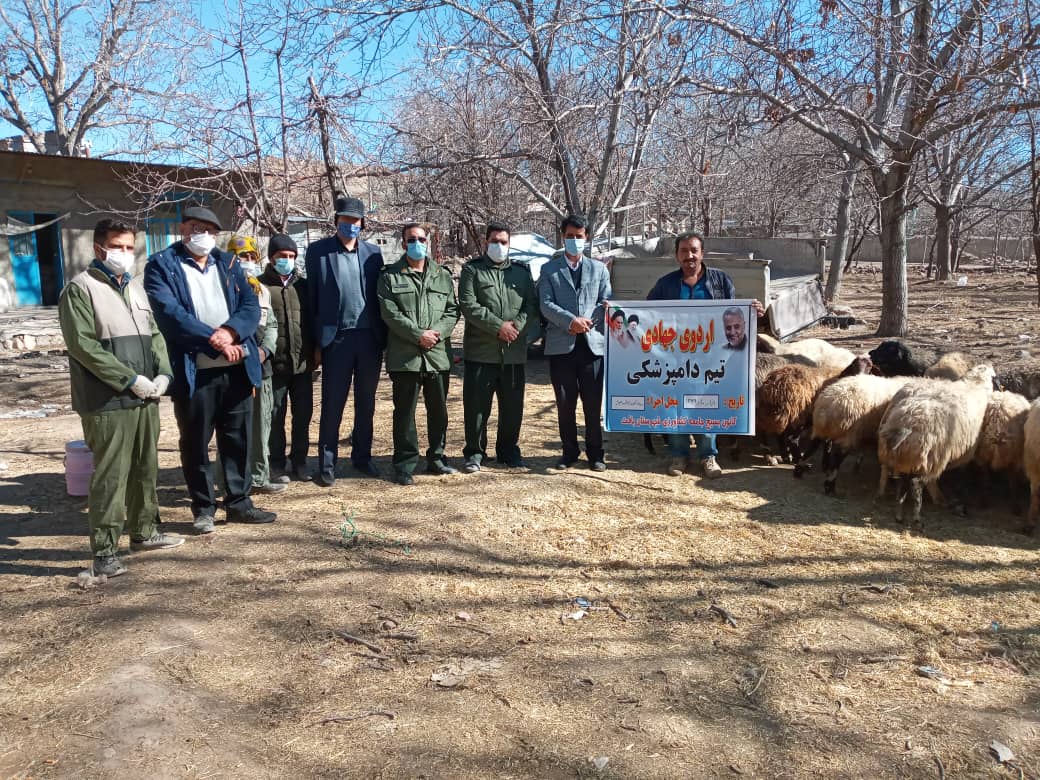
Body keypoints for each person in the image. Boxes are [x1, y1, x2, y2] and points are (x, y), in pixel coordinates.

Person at [59, 218, 184, 577]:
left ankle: (144, 532)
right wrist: (129, 379)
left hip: (146, 397)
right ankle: (105, 551)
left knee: (146, 468)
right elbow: (83, 346)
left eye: (130, 247)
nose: (125, 254)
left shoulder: (135, 288)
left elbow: (155, 334)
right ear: (99, 248)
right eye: (118, 247)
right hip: (107, 400)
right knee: (112, 476)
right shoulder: (80, 289)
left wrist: (163, 374)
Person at [144, 205, 276, 532]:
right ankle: (204, 509)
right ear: (184, 228)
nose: (203, 235)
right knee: (195, 442)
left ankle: (239, 503)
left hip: (235, 368)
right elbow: (170, 314)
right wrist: (214, 339)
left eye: (210, 230)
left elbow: (248, 305)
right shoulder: (162, 266)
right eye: (196, 227)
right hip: (195, 371)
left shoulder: (229, 263)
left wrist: (230, 332)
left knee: (237, 439)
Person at [647, 231, 765, 478]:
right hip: (674, 358)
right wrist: (616, 311)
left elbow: (733, 313)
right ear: (676, 255)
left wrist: (752, 311)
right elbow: (648, 313)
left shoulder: (720, 281)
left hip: (710, 359)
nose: (689, 256)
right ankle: (679, 455)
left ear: (702, 253)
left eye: (693, 250)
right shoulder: (665, 284)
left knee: (707, 405)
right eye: (683, 251)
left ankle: (708, 456)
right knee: (675, 405)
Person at [305, 196, 386, 487]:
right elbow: (312, 299)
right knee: (333, 403)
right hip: (335, 339)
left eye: (355, 220)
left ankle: (362, 458)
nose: (350, 225)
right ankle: (326, 464)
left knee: (366, 402)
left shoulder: (373, 253)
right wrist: (315, 343)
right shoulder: (318, 252)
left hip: (369, 338)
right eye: (345, 220)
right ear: (336, 220)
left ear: (363, 223)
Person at [377, 222, 461, 486]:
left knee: (438, 410)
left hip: (437, 354)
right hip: (406, 357)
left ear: (429, 243)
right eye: (412, 239)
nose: (417, 244)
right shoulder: (390, 276)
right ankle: (404, 463)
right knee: (405, 413)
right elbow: (390, 313)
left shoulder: (442, 275)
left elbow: (452, 310)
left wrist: (436, 333)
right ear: (403, 244)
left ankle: (437, 457)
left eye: (422, 239)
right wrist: (417, 335)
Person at [457, 221, 538, 473]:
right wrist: (498, 327)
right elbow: (469, 305)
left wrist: (516, 327)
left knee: (512, 408)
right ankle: (475, 453)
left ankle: (508, 451)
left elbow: (531, 306)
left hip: (513, 354)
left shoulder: (522, 273)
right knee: (477, 407)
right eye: (494, 241)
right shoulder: (473, 270)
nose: (499, 246)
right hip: (481, 352)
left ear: (509, 244)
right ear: (486, 242)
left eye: (503, 242)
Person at [537, 214, 612, 471]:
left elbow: (606, 302)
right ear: (563, 237)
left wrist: (588, 322)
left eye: (579, 237)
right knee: (565, 403)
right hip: (561, 346)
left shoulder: (600, 269)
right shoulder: (549, 269)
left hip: (593, 346)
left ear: (586, 238)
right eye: (570, 236)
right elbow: (545, 304)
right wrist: (571, 321)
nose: (574, 240)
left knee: (593, 404)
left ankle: (596, 454)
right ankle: (569, 452)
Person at [226, 235, 284, 495]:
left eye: (251, 257)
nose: (247, 262)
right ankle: (232, 482)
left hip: (262, 367)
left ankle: (260, 477)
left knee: (263, 425)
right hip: (234, 367)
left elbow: (271, 324)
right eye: (241, 258)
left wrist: (266, 349)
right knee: (234, 429)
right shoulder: (223, 288)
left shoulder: (261, 289)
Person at [260, 234, 314, 482]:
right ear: (272, 257)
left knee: (302, 416)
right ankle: (277, 463)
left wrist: (315, 353)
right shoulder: (260, 286)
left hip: (302, 364)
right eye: (282, 256)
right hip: (275, 365)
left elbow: (310, 322)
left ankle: (300, 461)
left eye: (291, 256)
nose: (287, 261)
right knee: (276, 415)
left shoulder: (302, 286)